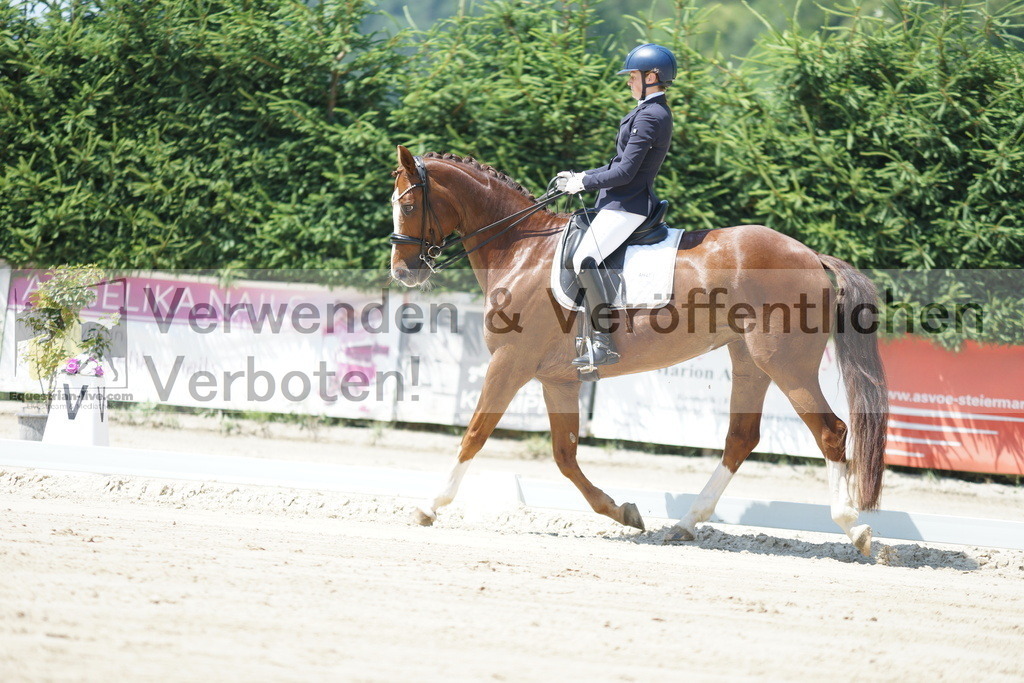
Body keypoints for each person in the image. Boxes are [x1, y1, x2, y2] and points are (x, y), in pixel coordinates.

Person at [556, 43, 676, 368]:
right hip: (617, 201)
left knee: (584, 259)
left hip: (629, 205)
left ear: (653, 77)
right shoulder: (646, 111)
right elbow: (617, 162)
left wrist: (583, 183)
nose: (629, 82)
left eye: (633, 76)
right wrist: (580, 175)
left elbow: (624, 173)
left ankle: (603, 342)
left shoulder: (652, 115)